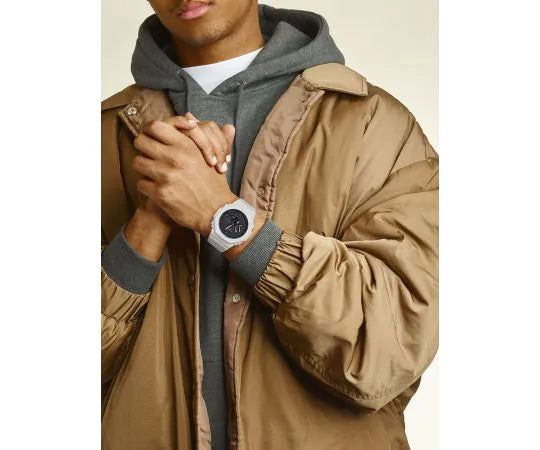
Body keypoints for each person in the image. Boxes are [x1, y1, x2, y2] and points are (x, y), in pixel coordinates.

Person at [101, 1, 439, 449]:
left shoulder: (373, 126)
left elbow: (390, 346)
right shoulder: (101, 138)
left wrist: (223, 218)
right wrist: (150, 218)